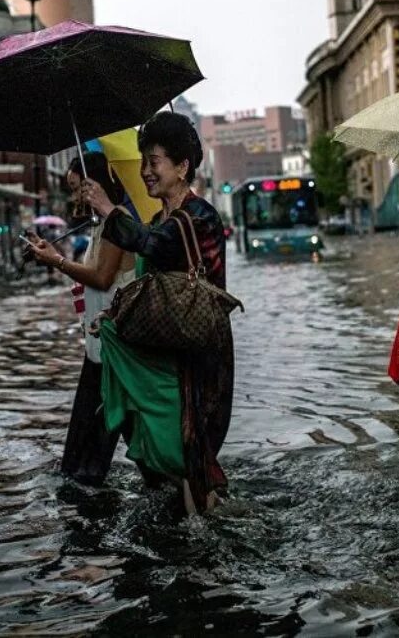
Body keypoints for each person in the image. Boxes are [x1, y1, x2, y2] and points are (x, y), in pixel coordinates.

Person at [79, 111, 234, 514]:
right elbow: (146, 283)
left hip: (196, 358)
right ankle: (195, 527)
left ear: (182, 167)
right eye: (143, 161)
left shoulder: (197, 217)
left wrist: (108, 208)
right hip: (163, 357)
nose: (147, 171)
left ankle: (209, 540)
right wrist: (112, 316)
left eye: (155, 162)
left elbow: (155, 245)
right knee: (164, 448)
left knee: (190, 447)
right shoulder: (158, 218)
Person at [27, 152, 137, 486]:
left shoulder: (116, 219)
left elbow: (103, 277)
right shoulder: (100, 224)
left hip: (115, 350)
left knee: (90, 454)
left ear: (94, 185)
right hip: (99, 346)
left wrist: (57, 261)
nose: (74, 197)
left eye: (77, 188)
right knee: (84, 450)